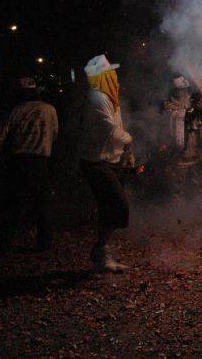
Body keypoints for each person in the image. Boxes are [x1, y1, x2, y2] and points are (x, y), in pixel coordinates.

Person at [77, 55, 134, 273]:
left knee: (109, 208)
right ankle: (100, 250)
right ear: (103, 76)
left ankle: (102, 254)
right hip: (95, 162)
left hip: (108, 161)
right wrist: (129, 140)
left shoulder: (108, 97)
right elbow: (109, 129)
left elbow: (116, 129)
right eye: (110, 73)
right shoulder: (97, 98)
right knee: (118, 205)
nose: (114, 76)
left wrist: (126, 152)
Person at [0, 76, 58, 254]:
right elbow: (55, 133)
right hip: (40, 162)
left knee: (12, 204)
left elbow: (0, 137)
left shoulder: (16, 110)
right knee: (42, 205)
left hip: (18, 161)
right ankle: (44, 244)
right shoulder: (49, 109)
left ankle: (3, 245)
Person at [163, 74, 202, 199]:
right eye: (180, 90)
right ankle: (178, 213)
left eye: (185, 90)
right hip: (179, 158)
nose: (183, 93)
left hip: (197, 154)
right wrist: (197, 108)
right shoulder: (169, 106)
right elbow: (183, 118)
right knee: (177, 190)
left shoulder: (193, 102)